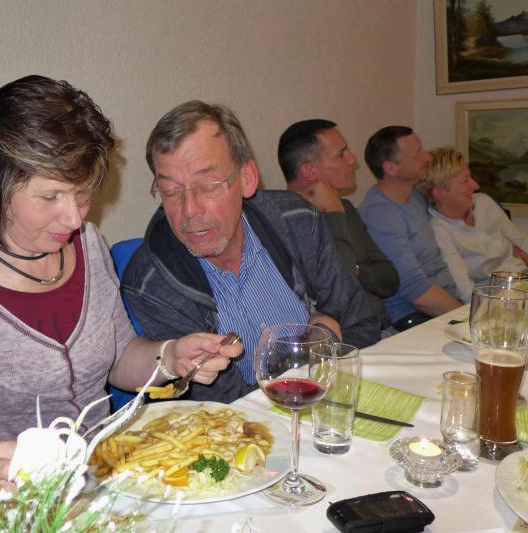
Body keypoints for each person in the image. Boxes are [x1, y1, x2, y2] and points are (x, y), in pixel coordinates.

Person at [0, 76, 242, 509]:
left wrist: (170, 357)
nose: (74, 218)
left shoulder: (88, 246)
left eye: (83, 194)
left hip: (105, 499)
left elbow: (118, 357)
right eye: (51, 196)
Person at [122, 101, 383, 403]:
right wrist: (318, 343)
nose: (189, 211)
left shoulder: (296, 220)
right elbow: (226, 405)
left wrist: (327, 340)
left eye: (208, 185)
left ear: (247, 178)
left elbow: (363, 326)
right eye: (171, 191)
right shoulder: (150, 283)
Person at [278, 119, 399, 334]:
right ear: (310, 171)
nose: (353, 160)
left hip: (384, 330)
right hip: (345, 342)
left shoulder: (346, 209)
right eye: (341, 155)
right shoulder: (286, 222)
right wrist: (333, 212)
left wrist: (355, 270)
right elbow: (337, 294)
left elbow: (390, 280)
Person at [359, 126, 461, 331]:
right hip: (416, 318)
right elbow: (417, 292)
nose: (427, 157)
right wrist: (468, 318)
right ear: (391, 168)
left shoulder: (414, 197)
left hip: (446, 306)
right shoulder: (381, 213)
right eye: (417, 154)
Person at [418, 147, 528, 302]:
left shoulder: (483, 202)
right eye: (465, 180)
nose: (475, 185)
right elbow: (464, 290)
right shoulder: (439, 230)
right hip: (498, 301)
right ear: (439, 193)